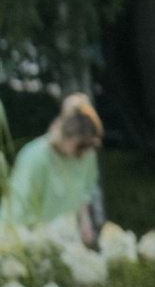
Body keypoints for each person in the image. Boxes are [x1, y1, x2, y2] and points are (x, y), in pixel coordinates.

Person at [7, 97, 105, 248]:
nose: (84, 154)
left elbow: (85, 190)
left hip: (68, 241)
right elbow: (16, 212)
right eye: (80, 147)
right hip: (31, 240)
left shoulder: (86, 154)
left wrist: (85, 223)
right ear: (66, 134)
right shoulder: (34, 157)